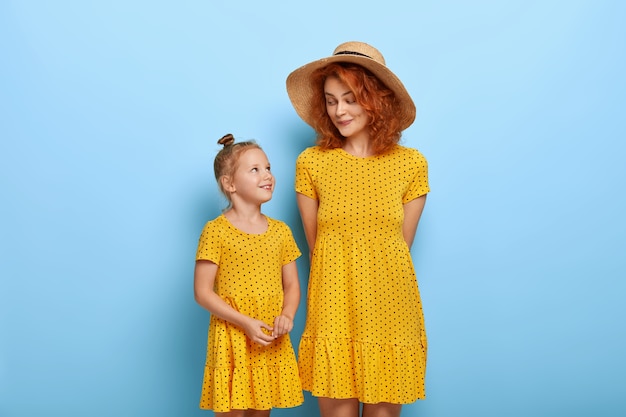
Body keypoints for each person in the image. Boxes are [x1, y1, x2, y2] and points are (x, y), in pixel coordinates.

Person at [286, 41, 430, 417]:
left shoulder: (411, 164)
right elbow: (318, 248)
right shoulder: (312, 163)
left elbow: (401, 248)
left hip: (390, 307)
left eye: (350, 98)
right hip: (333, 304)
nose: (339, 111)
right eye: (331, 100)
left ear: (376, 99)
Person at [193, 133, 304, 416]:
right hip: (233, 337)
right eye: (255, 170)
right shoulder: (216, 231)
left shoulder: (281, 232)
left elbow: (291, 286)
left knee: (260, 411)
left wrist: (287, 317)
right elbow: (203, 292)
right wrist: (245, 323)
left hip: (267, 336)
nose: (267, 175)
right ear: (229, 184)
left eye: (268, 167)